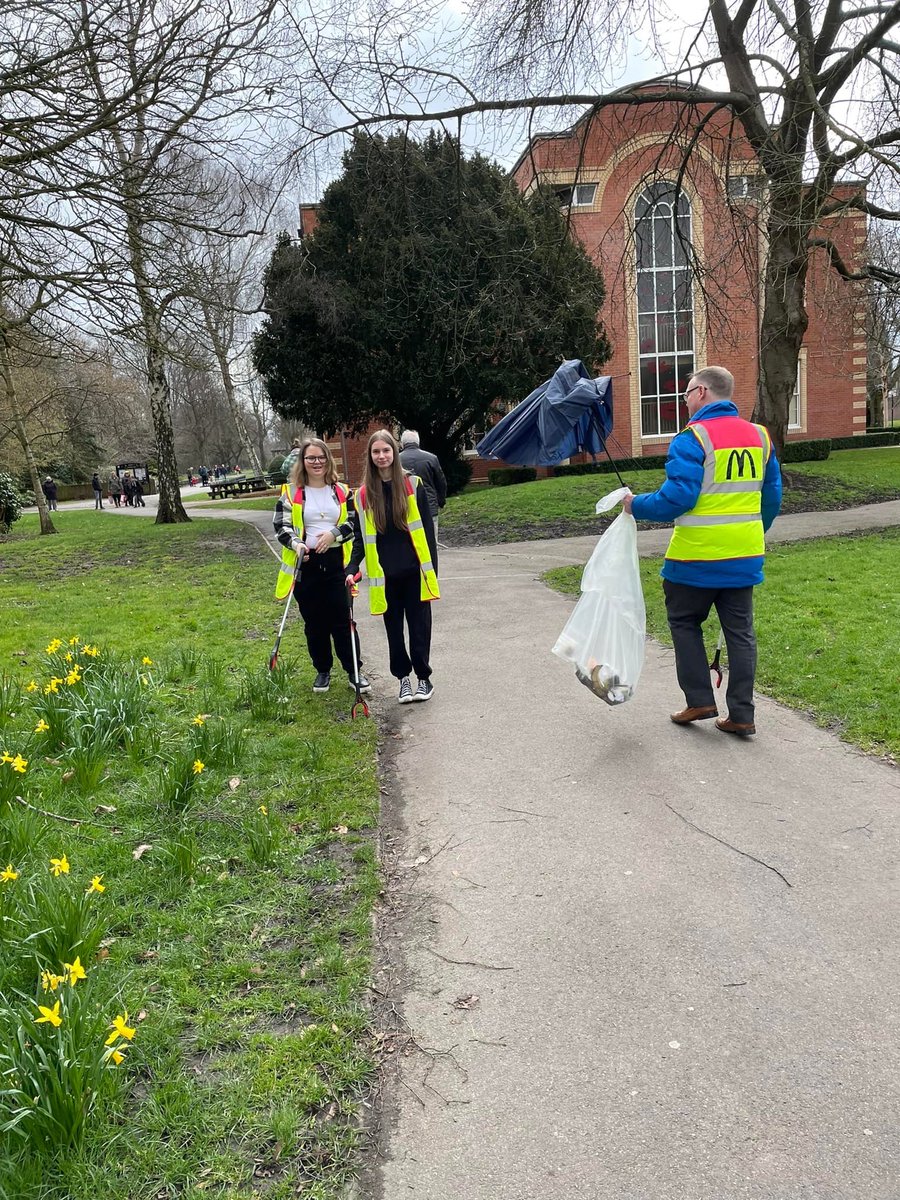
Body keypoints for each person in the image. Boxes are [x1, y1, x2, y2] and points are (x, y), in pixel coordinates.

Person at [624, 366, 782, 737]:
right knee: (740, 633)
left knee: (684, 622)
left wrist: (635, 504)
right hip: (744, 557)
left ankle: (699, 700)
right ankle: (742, 714)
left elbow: (678, 497)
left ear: (701, 392)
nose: (685, 401)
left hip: (694, 559)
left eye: (687, 394)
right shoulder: (761, 436)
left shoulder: (692, 437)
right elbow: (772, 496)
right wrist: (751, 534)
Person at [348, 429, 439, 704]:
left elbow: (427, 532)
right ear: (370, 456)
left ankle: (423, 677)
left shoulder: (413, 485)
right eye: (376, 451)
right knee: (394, 631)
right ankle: (403, 679)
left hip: (415, 573)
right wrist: (351, 567)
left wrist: (431, 573)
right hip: (385, 576)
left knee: (420, 628)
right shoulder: (362, 495)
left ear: (394, 452)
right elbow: (360, 537)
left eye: (386, 450)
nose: (381, 456)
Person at [272, 437, 369, 695]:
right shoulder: (291, 493)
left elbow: (353, 523)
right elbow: (281, 526)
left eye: (321, 457)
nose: (316, 462)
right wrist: (296, 544)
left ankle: (354, 671)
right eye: (311, 458)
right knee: (314, 623)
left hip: (337, 564)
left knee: (343, 620)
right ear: (302, 461)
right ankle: (322, 670)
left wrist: (333, 534)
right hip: (306, 564)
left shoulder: (342, 491)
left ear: (328, 460)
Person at [398, 430, 447, 537]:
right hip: (429, 505)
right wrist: (441, 501)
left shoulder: (396, 460)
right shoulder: (432, 458)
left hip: (405, 507)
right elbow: (441, 482)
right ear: (418, 442)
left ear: (402, 444)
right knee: (431, 539)